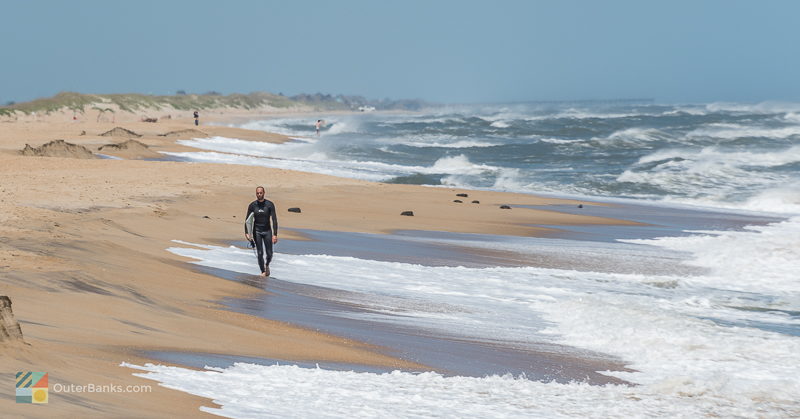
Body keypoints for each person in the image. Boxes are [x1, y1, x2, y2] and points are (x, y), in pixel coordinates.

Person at [244, 186, 278, 276]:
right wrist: (247, 233)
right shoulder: (252, 205)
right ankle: (263, 271)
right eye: (257, 193)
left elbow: (274, 220)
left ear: (264, 193)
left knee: (269, 253)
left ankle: (267, 265)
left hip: (267, 231)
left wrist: (275, 234)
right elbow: (247, 220)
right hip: (257, 231)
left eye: (260, 193)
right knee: (260, 252)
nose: (259, 194)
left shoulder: (270, 204)